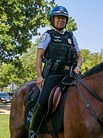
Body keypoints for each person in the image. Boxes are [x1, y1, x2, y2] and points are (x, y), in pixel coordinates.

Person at [29, 6, 82, 138]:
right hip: (53, 75)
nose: (61, 20)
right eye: (58, 17)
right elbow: (39, 57)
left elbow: (79, 57)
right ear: (52, 20)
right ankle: (33, 130)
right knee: (43, 100)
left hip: (70, 74)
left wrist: (78, 66)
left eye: (63, 18)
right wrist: (39, 76)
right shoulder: (47, 35)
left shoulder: (71, 37)